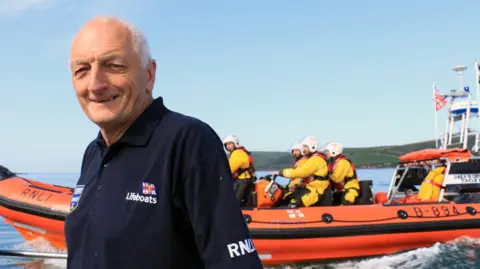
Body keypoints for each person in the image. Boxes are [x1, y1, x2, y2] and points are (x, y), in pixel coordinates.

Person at [64, 16, 263, 269]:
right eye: (81, 70)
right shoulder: (93, 153)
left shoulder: (188, 142)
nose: (95, 84)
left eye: (113, 65)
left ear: (149, 75)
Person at [272, 136, 332, 208]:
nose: (303, 149)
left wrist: (281, 173)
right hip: (313, 188)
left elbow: (301, 172)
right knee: (290, 198)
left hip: (317, 190)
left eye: (305, 146)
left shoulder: (316, 159)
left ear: (312, 147)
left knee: (294, 204)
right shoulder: (313, 158)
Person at [223, 135, 257, 206]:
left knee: (233, 201)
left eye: (230, 144)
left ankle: (233, 214)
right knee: (248, 201)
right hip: (249, 179)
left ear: (235, 143)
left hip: (242, 180)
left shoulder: (237, 153)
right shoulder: (242, 152)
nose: (228, 146)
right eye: (226, 145)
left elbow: (229, 169)